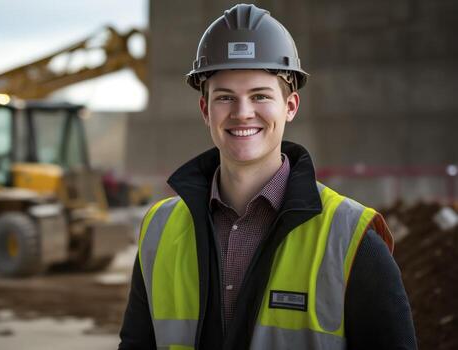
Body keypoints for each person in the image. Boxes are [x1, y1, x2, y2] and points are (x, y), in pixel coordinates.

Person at [119, 3, 416, 349]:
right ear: (205, 109)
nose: (242, 113)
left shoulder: (350, 239)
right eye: (225, 97)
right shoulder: (159, 230)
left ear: (290, 106)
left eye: (260, 96)